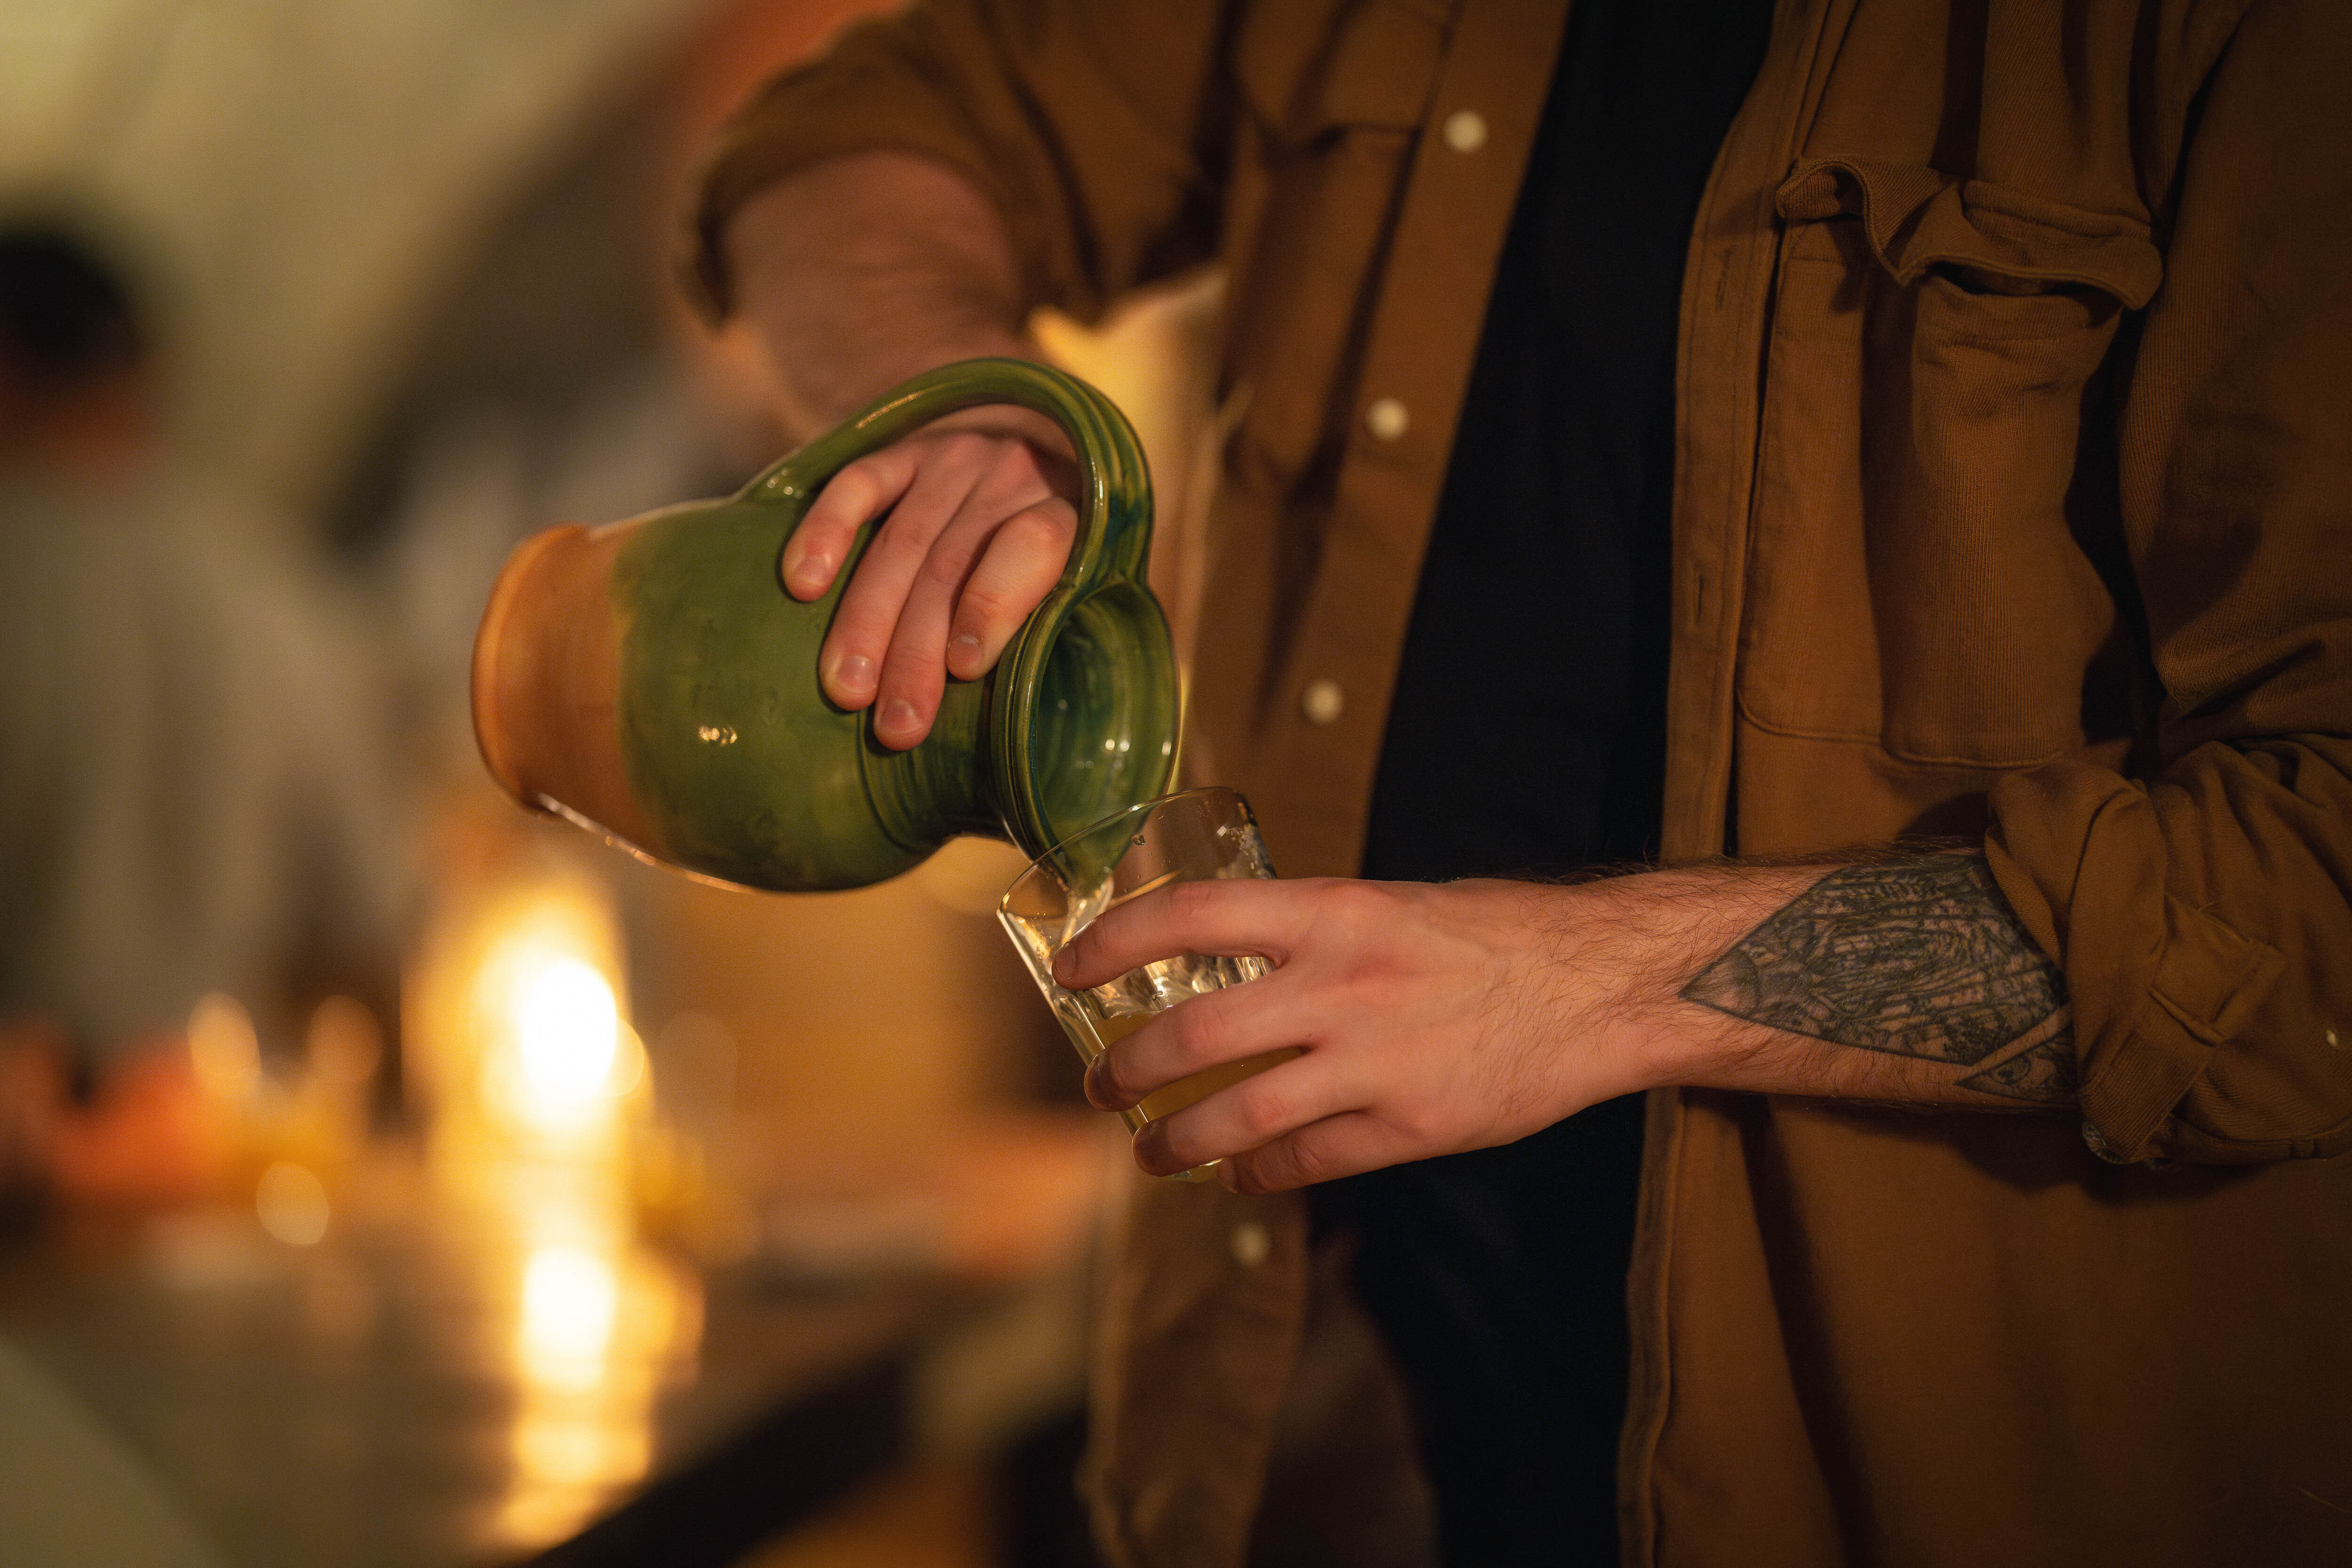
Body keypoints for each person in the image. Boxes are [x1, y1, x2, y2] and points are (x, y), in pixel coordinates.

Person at [681, 3, 2352, 1564]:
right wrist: (969, 412)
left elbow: (2320, 880)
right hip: (1310, 1426)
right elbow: (851, 134)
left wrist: (1587, 985)